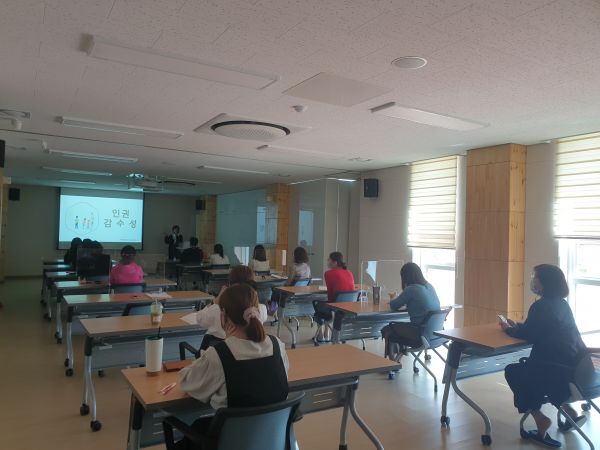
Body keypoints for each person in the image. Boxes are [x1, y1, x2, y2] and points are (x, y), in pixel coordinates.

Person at [178, 284, 289, 448]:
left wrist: (222, 346)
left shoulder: (219, 355)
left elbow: (188, 383)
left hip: (229, 442)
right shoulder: (277, 345)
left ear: (223, 315)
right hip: (271, 440)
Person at [502, 264, 588, 448]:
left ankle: (540, 419)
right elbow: (542, 329)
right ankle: (569, 412)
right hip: (575, 369)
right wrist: (520, 327)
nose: (532, 280)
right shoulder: (562, 304)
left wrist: (509, 329)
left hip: (554, 370)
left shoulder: (541, 306)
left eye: (535, 277)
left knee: (514, 372)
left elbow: (530, 335)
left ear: (544, 282)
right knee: (537, 370)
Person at [192, 266, 267, 350]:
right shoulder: (261, 309)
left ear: (229, 284)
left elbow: (200, 319)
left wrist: (215, 301)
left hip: (219, 351)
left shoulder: (217, 309)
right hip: (250, 351)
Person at [381, 262, 441, 364]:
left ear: (405, 276)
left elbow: (394, 305)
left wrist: (393, 299)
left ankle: (392, 363)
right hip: (436, 333)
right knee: (401, 328)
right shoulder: (430, 286)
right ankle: (397, 359)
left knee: (388, 329)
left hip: (420, 333)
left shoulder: (411, 289)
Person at [313, 252, 355, 342]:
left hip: (336, 307)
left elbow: (331, 295)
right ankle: (327, 333)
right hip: (349, 307)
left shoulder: (328, 273)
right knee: (328, 306)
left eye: (329, 260)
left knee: (318, 305)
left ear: (335, 262)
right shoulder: (349, 272)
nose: (327, 261)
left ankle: (321, 335)